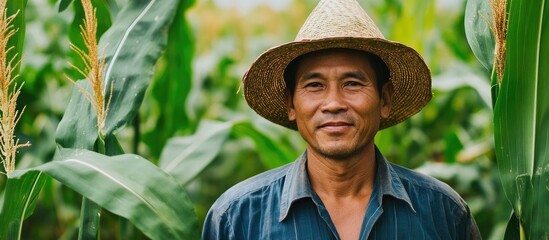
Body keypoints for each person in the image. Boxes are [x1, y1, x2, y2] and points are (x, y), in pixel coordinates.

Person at [202, 0, 481, 239]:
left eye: (352, 83)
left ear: (384, 100)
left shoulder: (443, 213)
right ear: (291, 104)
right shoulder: (237, 218)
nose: (333, 103)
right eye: (314, 85)